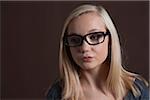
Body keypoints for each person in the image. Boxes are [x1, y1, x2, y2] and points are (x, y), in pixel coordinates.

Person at [47, 4, 149, 100]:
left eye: (94, 37)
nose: (85, 48)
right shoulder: (58, 94)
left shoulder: (137, 91)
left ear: (110, 40)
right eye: (75, 39)